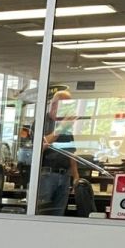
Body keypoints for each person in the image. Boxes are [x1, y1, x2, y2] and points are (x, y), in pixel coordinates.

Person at [37, 85, 77, 216]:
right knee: (42, 214)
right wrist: (61, 127)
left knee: (58, 216)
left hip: (64, 176)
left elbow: (70, 152)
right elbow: (39, 147)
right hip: (46, 175)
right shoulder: (41, 122)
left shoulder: (65, 125)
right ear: (54, 104)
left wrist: (76, 177)